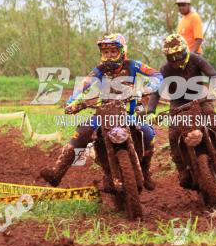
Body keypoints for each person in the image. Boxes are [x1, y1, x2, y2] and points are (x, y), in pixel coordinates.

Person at [40, 34, 162, 190]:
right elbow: (84, 84)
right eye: (106, 53)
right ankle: (57, 172)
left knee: (148, 132)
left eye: (113, 52)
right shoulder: (99, 69)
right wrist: (72, 102)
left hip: (127, 112)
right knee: (83, 132)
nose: (109, 56)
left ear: (122, 51)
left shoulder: (133, 65)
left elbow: (157, 75)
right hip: (103, 112)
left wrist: (145, 89)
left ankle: (145, 171)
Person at [145, 34, 216, 189]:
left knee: (214, 122)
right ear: (166, 56)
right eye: (171, 56)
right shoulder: (165, 69)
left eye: (178, 54)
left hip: (199, 99)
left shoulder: (195, 59)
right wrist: (150, 111)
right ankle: (183, 170)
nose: (176, 59)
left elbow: (213, 74)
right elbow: (156, 92)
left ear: (185, 50)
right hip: (177, 105)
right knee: (173, 135)